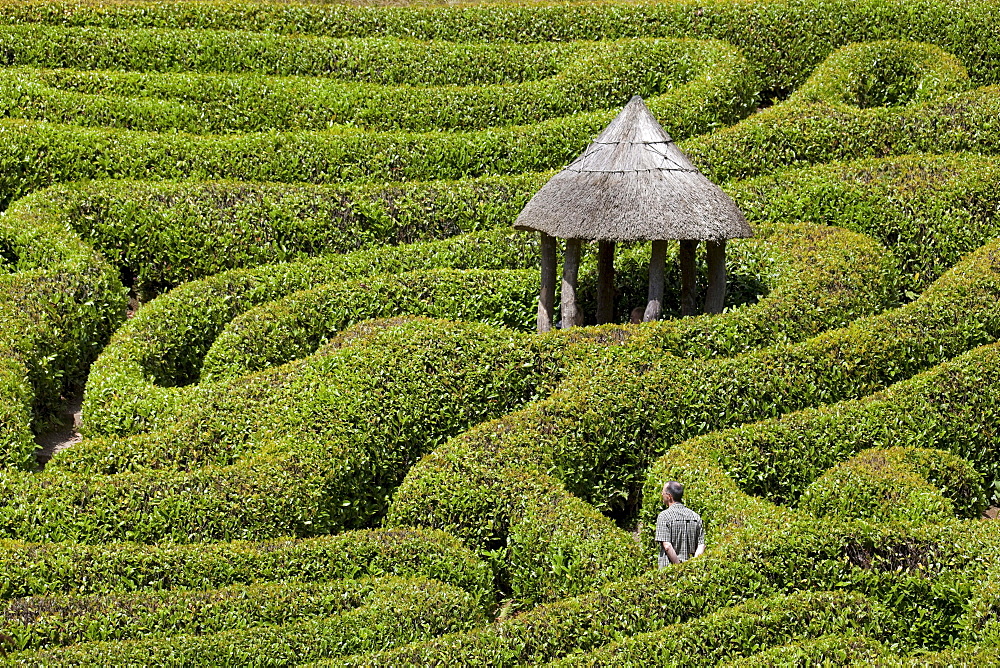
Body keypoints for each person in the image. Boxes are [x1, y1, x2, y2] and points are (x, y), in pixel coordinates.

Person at [655, 481, 705, 568]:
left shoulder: (664, 516)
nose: (662, 495)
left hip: (669, 570)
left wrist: (679, 566)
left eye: (663, 493)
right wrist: (693, 565)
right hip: (691, 573)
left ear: (669, 496)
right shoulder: (695, 516)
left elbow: (667, 546)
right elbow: (701, 545)